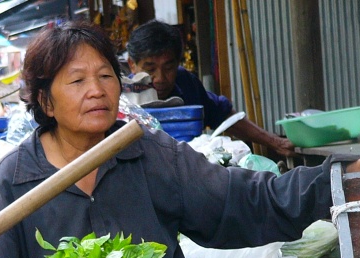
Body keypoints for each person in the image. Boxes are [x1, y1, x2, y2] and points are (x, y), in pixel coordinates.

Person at [0, 21, 360, 258]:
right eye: (77, 81)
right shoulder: (12, 181)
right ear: (45, 102)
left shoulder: (152, 156)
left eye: (106, 75)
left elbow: (246, 200)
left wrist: (341, 178)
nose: (97, 90)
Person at [126, 19, 295, 159]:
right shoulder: (120, 98)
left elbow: (223, 116)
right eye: (150, 68)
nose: (160, 78)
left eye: (169, 67)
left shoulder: (186, 82)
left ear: (178, 63)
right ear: (132, 65)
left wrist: (275, 142)